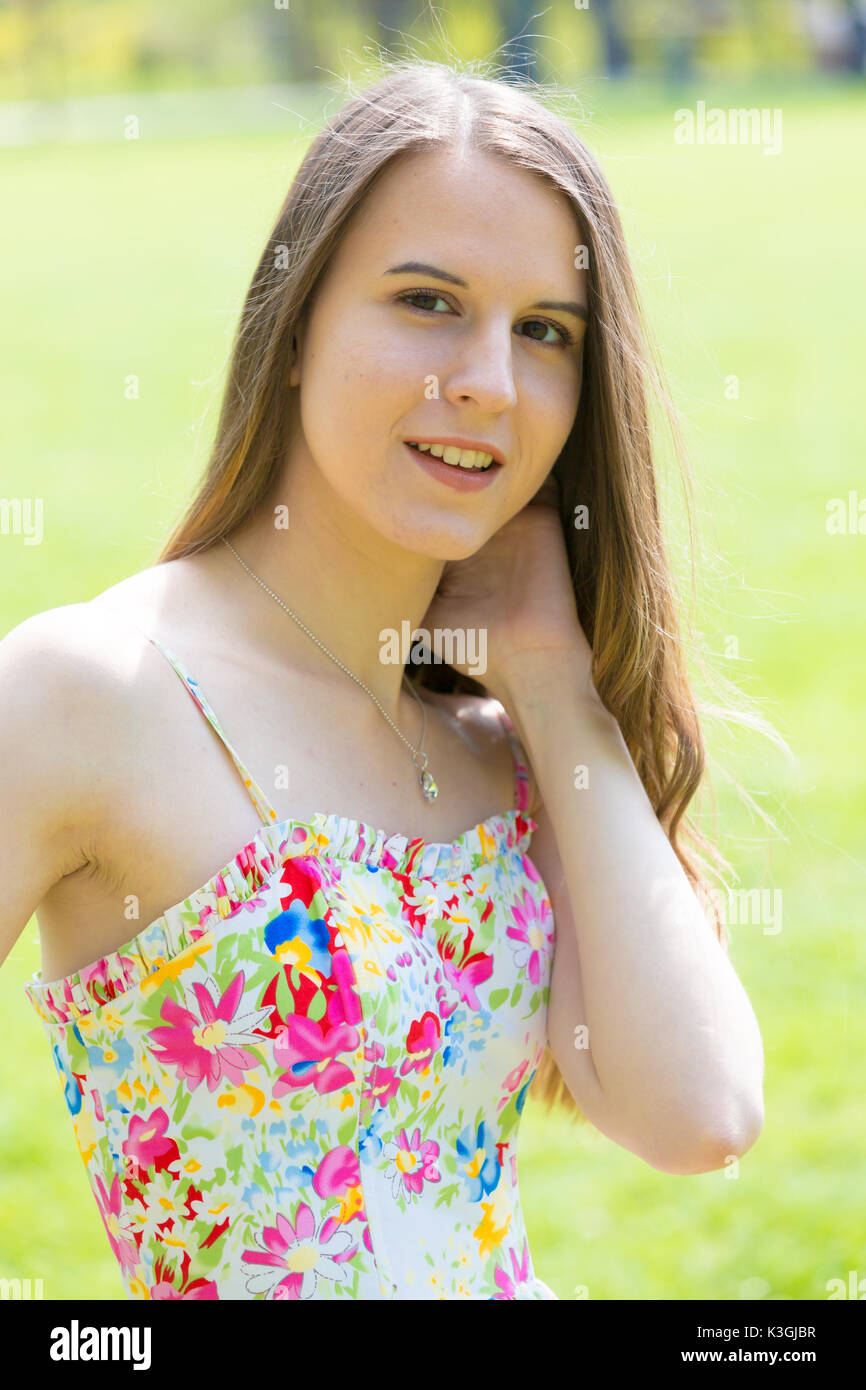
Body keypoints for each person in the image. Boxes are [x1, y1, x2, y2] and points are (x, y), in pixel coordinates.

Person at [0, 60, 766, 1300]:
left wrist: (554, 681)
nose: (487, 381)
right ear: (295, 326)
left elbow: (701, 1112)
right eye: (426, 301)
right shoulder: (90, 692)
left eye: (543, 332)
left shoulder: (498, 744)